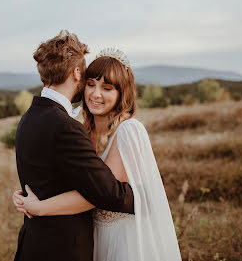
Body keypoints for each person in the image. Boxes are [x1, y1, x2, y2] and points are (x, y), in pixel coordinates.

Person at [13, 47, 182, 261]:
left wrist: (39, 207)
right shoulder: (80, 129)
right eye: (91, 84)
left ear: (122, 93)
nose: (96, 94)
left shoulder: (128, 131)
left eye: (107, 88)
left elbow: (101, 194)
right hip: (91, 235)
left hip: (122, 238)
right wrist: (25, 194)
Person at [12, 31, 135, 261]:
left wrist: (23, 198)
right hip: (61, 250)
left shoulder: (28, 117)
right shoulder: (66, 127)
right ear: (77, 73)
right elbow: (108, 194)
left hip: (33, 245)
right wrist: (142, 196)